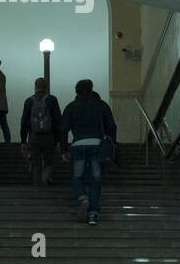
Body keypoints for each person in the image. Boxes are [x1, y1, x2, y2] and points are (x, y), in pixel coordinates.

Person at [60, 79, 116, 226]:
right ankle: (93, 214)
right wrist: (111, 145)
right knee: (96, 179)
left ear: (76, 91)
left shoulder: (71, 107)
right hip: (97, 145)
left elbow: (63, 129)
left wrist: (64, 149)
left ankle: (82, 197)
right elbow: (111, 126)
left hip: (78, 145)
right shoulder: (101, 105)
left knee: (77, 176)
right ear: (91, 89)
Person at [20, 77, 62, 187]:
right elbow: (58, 120)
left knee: (36, 164)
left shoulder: (29, 101)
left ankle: (37, 186)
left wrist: (23, 140)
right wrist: (59, 140)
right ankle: (45, 180)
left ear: (35, 86)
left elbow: (24, 121)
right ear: (46, 87)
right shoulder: (52, 99)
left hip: (34, 136)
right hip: (49, 136)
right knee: (48, 162)